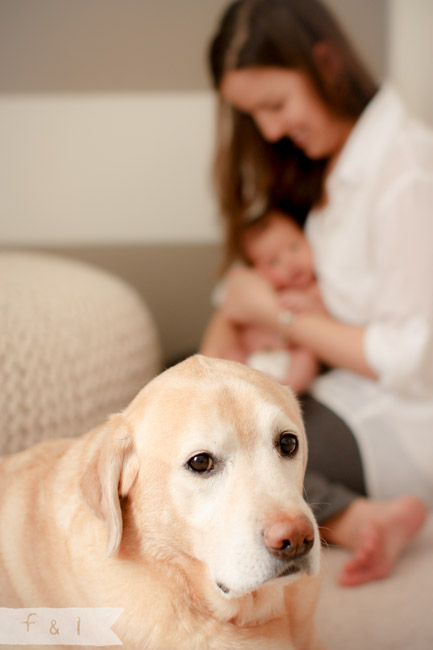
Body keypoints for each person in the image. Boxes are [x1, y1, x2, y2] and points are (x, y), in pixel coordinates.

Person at [200, 0, 432, 586]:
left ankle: (358, 515)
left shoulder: (403, 170)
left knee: (221, 467)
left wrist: (276, 316)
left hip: (399, 412)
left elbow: (409, 354)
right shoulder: (333, 163)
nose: (272, 130)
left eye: (275, 105)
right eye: (257, 115)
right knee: (190, 432)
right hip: (336, 385)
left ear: (325, 64)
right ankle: (354, 512)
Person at [213, 209, 322, 394]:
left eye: (294, 247)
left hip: (290, 358)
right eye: (273, 261)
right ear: (258, 270)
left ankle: (287, 389)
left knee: (307, 357)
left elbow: (325, 322)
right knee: (228, 355)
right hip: (253, 358)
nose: (290, 262)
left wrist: (308, 304)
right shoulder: (263, 291)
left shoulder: (316, 290)